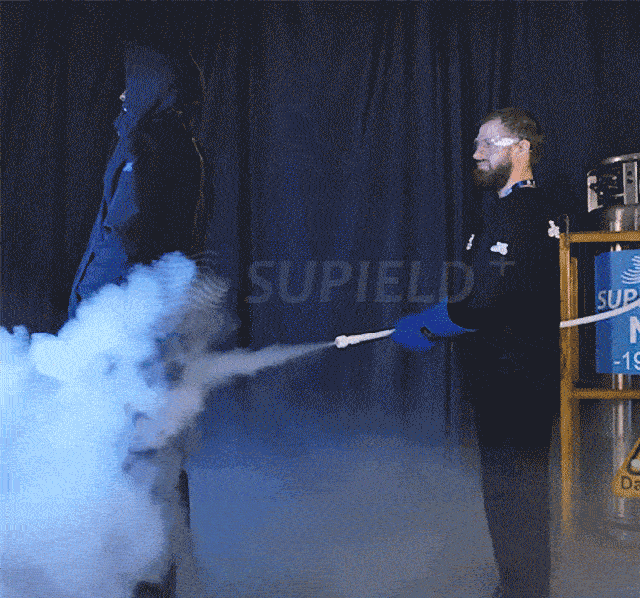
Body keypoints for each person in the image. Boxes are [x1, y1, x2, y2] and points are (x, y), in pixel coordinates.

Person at [68, 43, 205, 598]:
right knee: (130, 460)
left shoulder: (160, 149)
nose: (123, 94)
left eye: (133, 82)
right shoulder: (147, 145)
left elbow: (138, 243)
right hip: (120, 328)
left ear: (156, 88)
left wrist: (117, 328)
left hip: (134, 334)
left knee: (146, 460)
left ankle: (151, 584)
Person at [446, 108, 559, 598]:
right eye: (477, 143)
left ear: (521, 149)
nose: (477, 153)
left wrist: (439, 321)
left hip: (519, 378)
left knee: (518, 491)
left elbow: (489, 299)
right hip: (499, 377)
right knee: (505, 491)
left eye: (488, 143)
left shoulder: (527, 213)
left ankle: (525, 590)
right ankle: (515, 585)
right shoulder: (499, 211)